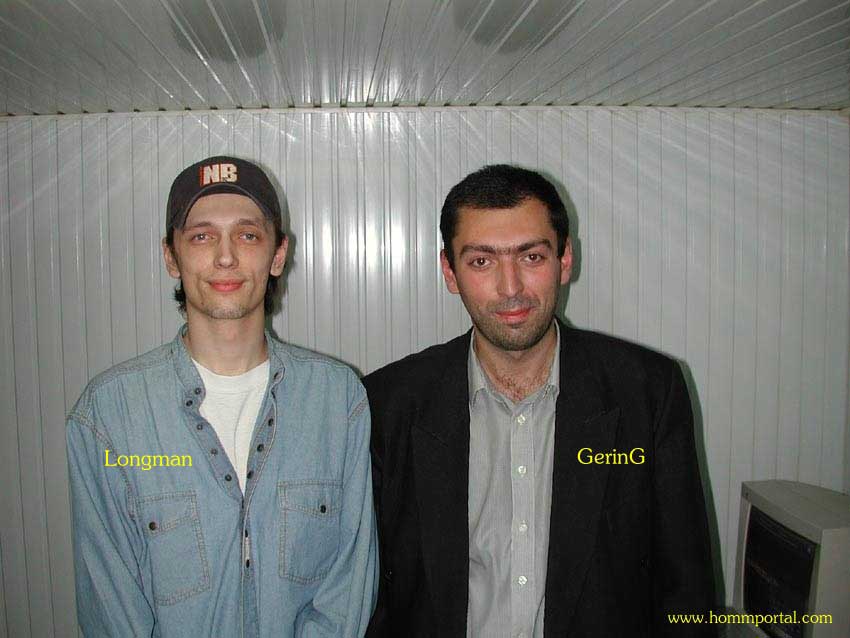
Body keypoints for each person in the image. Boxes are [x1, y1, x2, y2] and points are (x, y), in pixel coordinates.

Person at [364, 164, 716, 637]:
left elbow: (687, 592)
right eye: (482, 261)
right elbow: (369, 595)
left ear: (565, 260)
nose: (510, 288)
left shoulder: (648, 393)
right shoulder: (389, 404)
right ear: (449, 271)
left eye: (531, 257)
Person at [66, 155, 377, 637]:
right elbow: (111, 608)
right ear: (171, 256)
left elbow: (347, 591)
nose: (226, 257)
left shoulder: (338, 402)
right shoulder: (108, 416)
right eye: (202, 236)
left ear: (278, 254)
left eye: (248, 235)